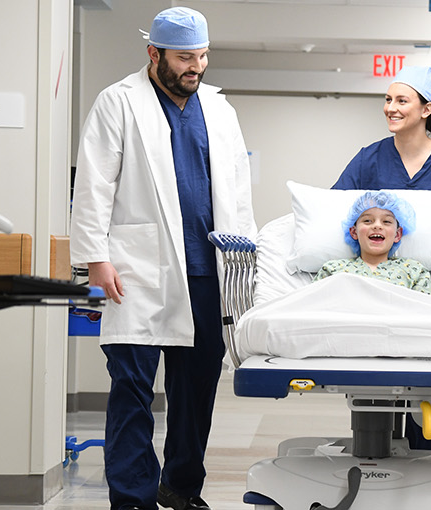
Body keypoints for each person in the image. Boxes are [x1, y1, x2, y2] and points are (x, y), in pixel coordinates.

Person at [70, 7, 255, 510]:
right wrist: (95, 258)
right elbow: (93, 185)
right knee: (131, 389)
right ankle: (131, 497)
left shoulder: (219, 109)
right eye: (184, 58)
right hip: (134, 271)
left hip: (208, 271)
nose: (195, 67)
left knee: (196, 391)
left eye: (201, 56)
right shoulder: (119, 102)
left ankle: (180, 486)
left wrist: (247, 261)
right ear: (154, 54)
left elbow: (238, 190)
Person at [332, 65, 431, 223]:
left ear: (426, 110)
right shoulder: (368, 159)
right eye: (388, 100)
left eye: (402, 101)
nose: (390, 108)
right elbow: (333, 206)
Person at [315, 191, 431, 295]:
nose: (377, 225)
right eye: (367, 220)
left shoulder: (414, 270)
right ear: (354, 232)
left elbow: (425, 313)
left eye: (386, 221)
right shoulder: (333, 270)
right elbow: (310, 307)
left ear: (397, 234)